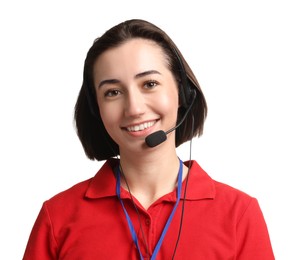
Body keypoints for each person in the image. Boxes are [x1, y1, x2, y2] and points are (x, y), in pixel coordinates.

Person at [23, 19, 274, 259]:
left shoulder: (239, 213)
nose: (134, 108)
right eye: (113, 92)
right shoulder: (57, 217)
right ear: (96, 109)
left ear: (182, 92)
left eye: (150, 83)